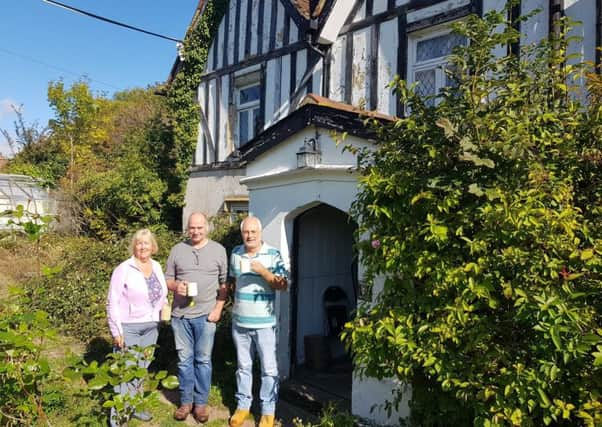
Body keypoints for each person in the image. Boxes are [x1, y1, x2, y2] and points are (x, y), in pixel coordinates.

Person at [166, 212, 228, 423]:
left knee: (203, 361)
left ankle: (200, 404)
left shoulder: (218, 250)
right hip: (180, 316)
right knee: (184, 361)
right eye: (192, 228)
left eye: (199, 227)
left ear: (206, 228)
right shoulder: (177, 250)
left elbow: (224, 284)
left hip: (206, 316)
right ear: (187, 228)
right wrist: (176, 286)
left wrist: (219, 308)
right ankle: (185, 402)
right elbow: (167, 279)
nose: (196, 231)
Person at [228, 216, 289, 427]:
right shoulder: (236, 252)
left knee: (269, 369)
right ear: (242, 233)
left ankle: (267, 412)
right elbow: (233, 281)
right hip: (240, 322)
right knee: (243, 367)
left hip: (264, 323)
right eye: (246, 232)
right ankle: (243, 406)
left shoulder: (272, 254)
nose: (249, 236)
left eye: (253, 232)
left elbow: (283, 284)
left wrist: (263, 271)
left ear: (260, 233)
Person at [106, 228, 168, 426]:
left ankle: (136, 408)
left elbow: (160, 292)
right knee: (126, 370)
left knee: (142, 368)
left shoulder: (157, 266)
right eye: (139, 243)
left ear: (153, 246)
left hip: (151, 327)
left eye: (146, 243)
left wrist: (164, 306)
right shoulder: (123, 269)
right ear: (134, 246)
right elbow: (112, 301)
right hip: (129, 327)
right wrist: (116, 331)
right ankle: (117, 418)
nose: (143, 247)